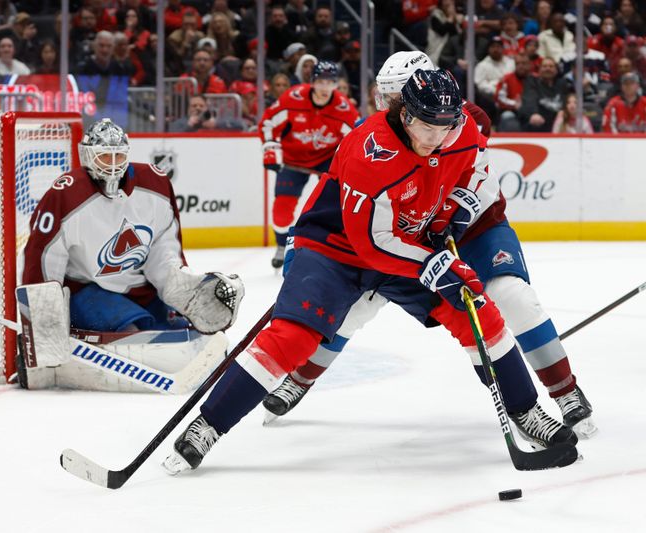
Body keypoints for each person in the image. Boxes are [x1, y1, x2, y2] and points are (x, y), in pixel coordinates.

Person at [163, 68, 578, 475]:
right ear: (406, 114)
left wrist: (453, 213)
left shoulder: (460, 128)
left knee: (478, 312)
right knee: (293, 336)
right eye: (427, 129)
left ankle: (526, 410)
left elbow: (475, 173)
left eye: (446, 128)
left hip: (408, 245)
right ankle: (209, 425)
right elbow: (372, 243)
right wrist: (437, 265)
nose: (437, 140)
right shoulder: (370, 148)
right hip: (336, 249)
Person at [261, 53, 595, 442]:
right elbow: (350, 202)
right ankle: (300, 378)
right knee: (354, 306)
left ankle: (564, 390)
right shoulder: (377, 132)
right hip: (410, 240)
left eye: (391, 96)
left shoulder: (463, 119)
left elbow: (479, 181)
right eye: (381, 96)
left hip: (475, 230)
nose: (383, 106)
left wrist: (452, 216)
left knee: (512, 297)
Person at [19, 119, 244, 388]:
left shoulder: (156, 183)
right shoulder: (65, 194)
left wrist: (180, 286)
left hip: (140, 289)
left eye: (118, 155)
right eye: (104, 155)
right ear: (87, 156)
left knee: (189, 333)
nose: (111, 163)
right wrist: (43, 322)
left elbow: (164, 247)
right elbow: (42, 257)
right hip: (87, 289)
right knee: (136, 333)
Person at [258, 60, 359, 268]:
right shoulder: (293, 98)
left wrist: (351, 164)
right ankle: (280, 244)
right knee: (281, 211)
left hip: (327, 160)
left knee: (338, 203)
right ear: (312, 81)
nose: (325, 88)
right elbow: (268, 122)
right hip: (293, 160)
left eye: (330, 82)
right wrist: (269, 146)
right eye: (321, 82)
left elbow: (357, 138)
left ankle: (337, 244)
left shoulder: (343, 109)